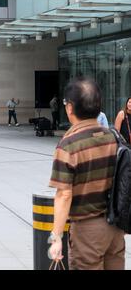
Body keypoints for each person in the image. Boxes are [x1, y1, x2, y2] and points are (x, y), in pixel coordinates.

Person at [48, 78, 124, 270]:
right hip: (116, 228)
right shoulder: (114, 137)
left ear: (70, 108)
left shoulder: (68, 144)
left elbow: (64, 195)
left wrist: (56, 237)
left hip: (87, 230)